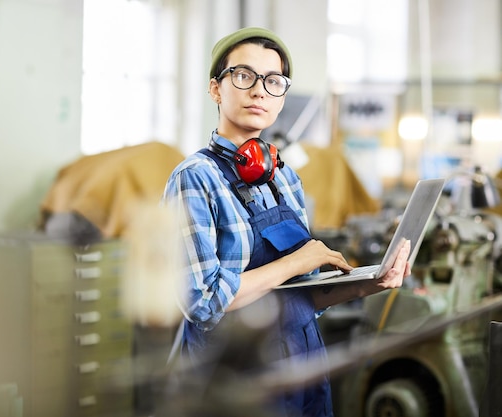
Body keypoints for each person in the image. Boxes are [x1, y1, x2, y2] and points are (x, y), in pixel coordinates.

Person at [161, 27, 411, 417]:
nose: (259, 91)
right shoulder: (194, 178)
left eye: (273, 81)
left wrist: (368, 284)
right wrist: (298, 260)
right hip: (233, 377)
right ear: (215, 89)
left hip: (304, 363)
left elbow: (299, 297)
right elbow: (205, 302)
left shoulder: (284, 178)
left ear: (281, 97)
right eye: (244, 76)